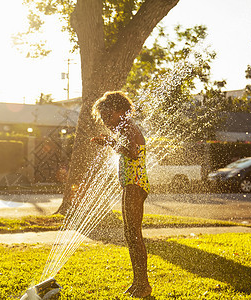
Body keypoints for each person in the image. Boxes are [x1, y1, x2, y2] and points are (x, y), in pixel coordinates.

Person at [91, 91, 152, 298]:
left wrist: (109, 142)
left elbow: (132, 152)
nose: (106, 121)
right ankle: (138, 283)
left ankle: (143, 285)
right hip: (131, 184)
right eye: (103, 118)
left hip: (135, 184)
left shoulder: (127, 126)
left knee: (134, 235)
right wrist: (109, 142)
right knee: (131, 235)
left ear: (120, 111)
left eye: (108, 116)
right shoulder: (124, 127)